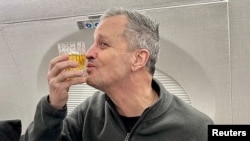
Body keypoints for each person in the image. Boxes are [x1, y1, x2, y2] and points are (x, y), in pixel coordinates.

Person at [21, 7, 213, 141]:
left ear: (138, 59)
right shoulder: (87, 113)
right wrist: (53, 107)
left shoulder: (196, 128)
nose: (88, 53)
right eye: (93, 42)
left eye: (103, 44)